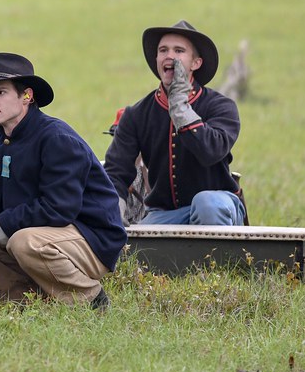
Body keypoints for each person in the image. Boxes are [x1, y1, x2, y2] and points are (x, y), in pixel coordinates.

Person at [0, 53, 125, 307]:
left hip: (90, 238)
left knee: (22, 241)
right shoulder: (1, 135)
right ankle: (23, 299)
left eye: (1, 92)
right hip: (49, 231)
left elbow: (59, 208)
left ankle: (90, 299)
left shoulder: (57, 139)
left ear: (27, 96)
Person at [103, 21, 245, 227]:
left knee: (206, 203)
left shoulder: (221, 106)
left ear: (196, 63)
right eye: (163, 50)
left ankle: (218, 260)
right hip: (165, 213)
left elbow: (211, 151)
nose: (169, 56)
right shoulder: (136, 114)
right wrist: (113, 211)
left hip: (220, 206)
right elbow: (116, 172)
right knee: (135, 241)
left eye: (179, 51)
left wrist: (180, 108)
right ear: (157, 59)